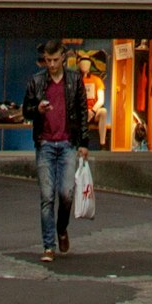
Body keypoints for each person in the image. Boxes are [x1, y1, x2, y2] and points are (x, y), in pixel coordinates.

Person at [30, 46, 99, 262]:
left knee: (66, 194)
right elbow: (26, 109)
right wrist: (37, 109)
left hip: (68, 143)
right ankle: (48, 246)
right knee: (47, 196)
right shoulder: (37, 80)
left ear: (63, 58)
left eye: (54, 60)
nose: (51, 64)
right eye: (47, 60)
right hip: (45, 143)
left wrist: (84, 143)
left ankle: (61, 228)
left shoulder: (74, 80)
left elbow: (81, 111)